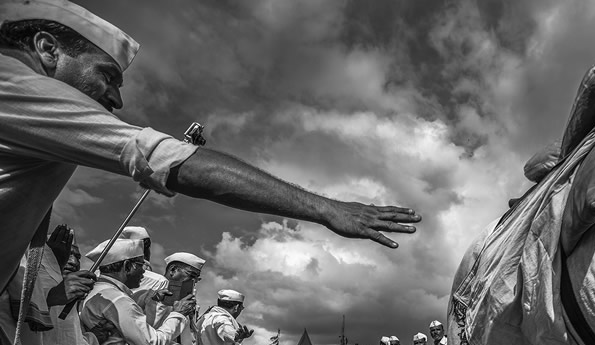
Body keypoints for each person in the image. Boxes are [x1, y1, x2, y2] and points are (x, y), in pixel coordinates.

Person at [0, 0, 422, 298]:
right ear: (47, 49)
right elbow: (165, 158)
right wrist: (326, 209)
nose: (116, 99)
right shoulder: (14, 85)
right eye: (107, 76)